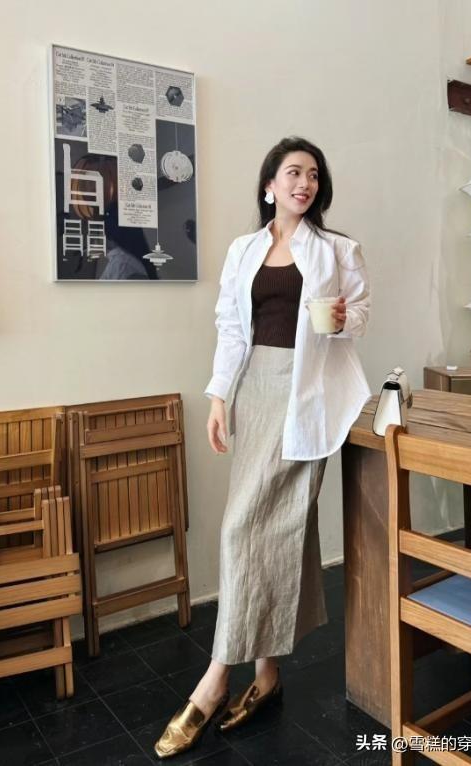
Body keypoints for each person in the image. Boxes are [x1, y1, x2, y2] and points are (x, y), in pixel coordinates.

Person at [154, 136, 371, 759]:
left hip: (306, 394)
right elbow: (231, 327)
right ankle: (268, 675)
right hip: (254, 392)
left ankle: (215, 679)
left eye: (313, 175)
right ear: (270, 185)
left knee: (248, 530)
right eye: (293, 172)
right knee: (275, 531)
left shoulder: (337, 249)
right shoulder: (244, 249)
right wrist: (219, 396)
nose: (304, 183)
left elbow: (360, 313)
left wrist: (343, 318)